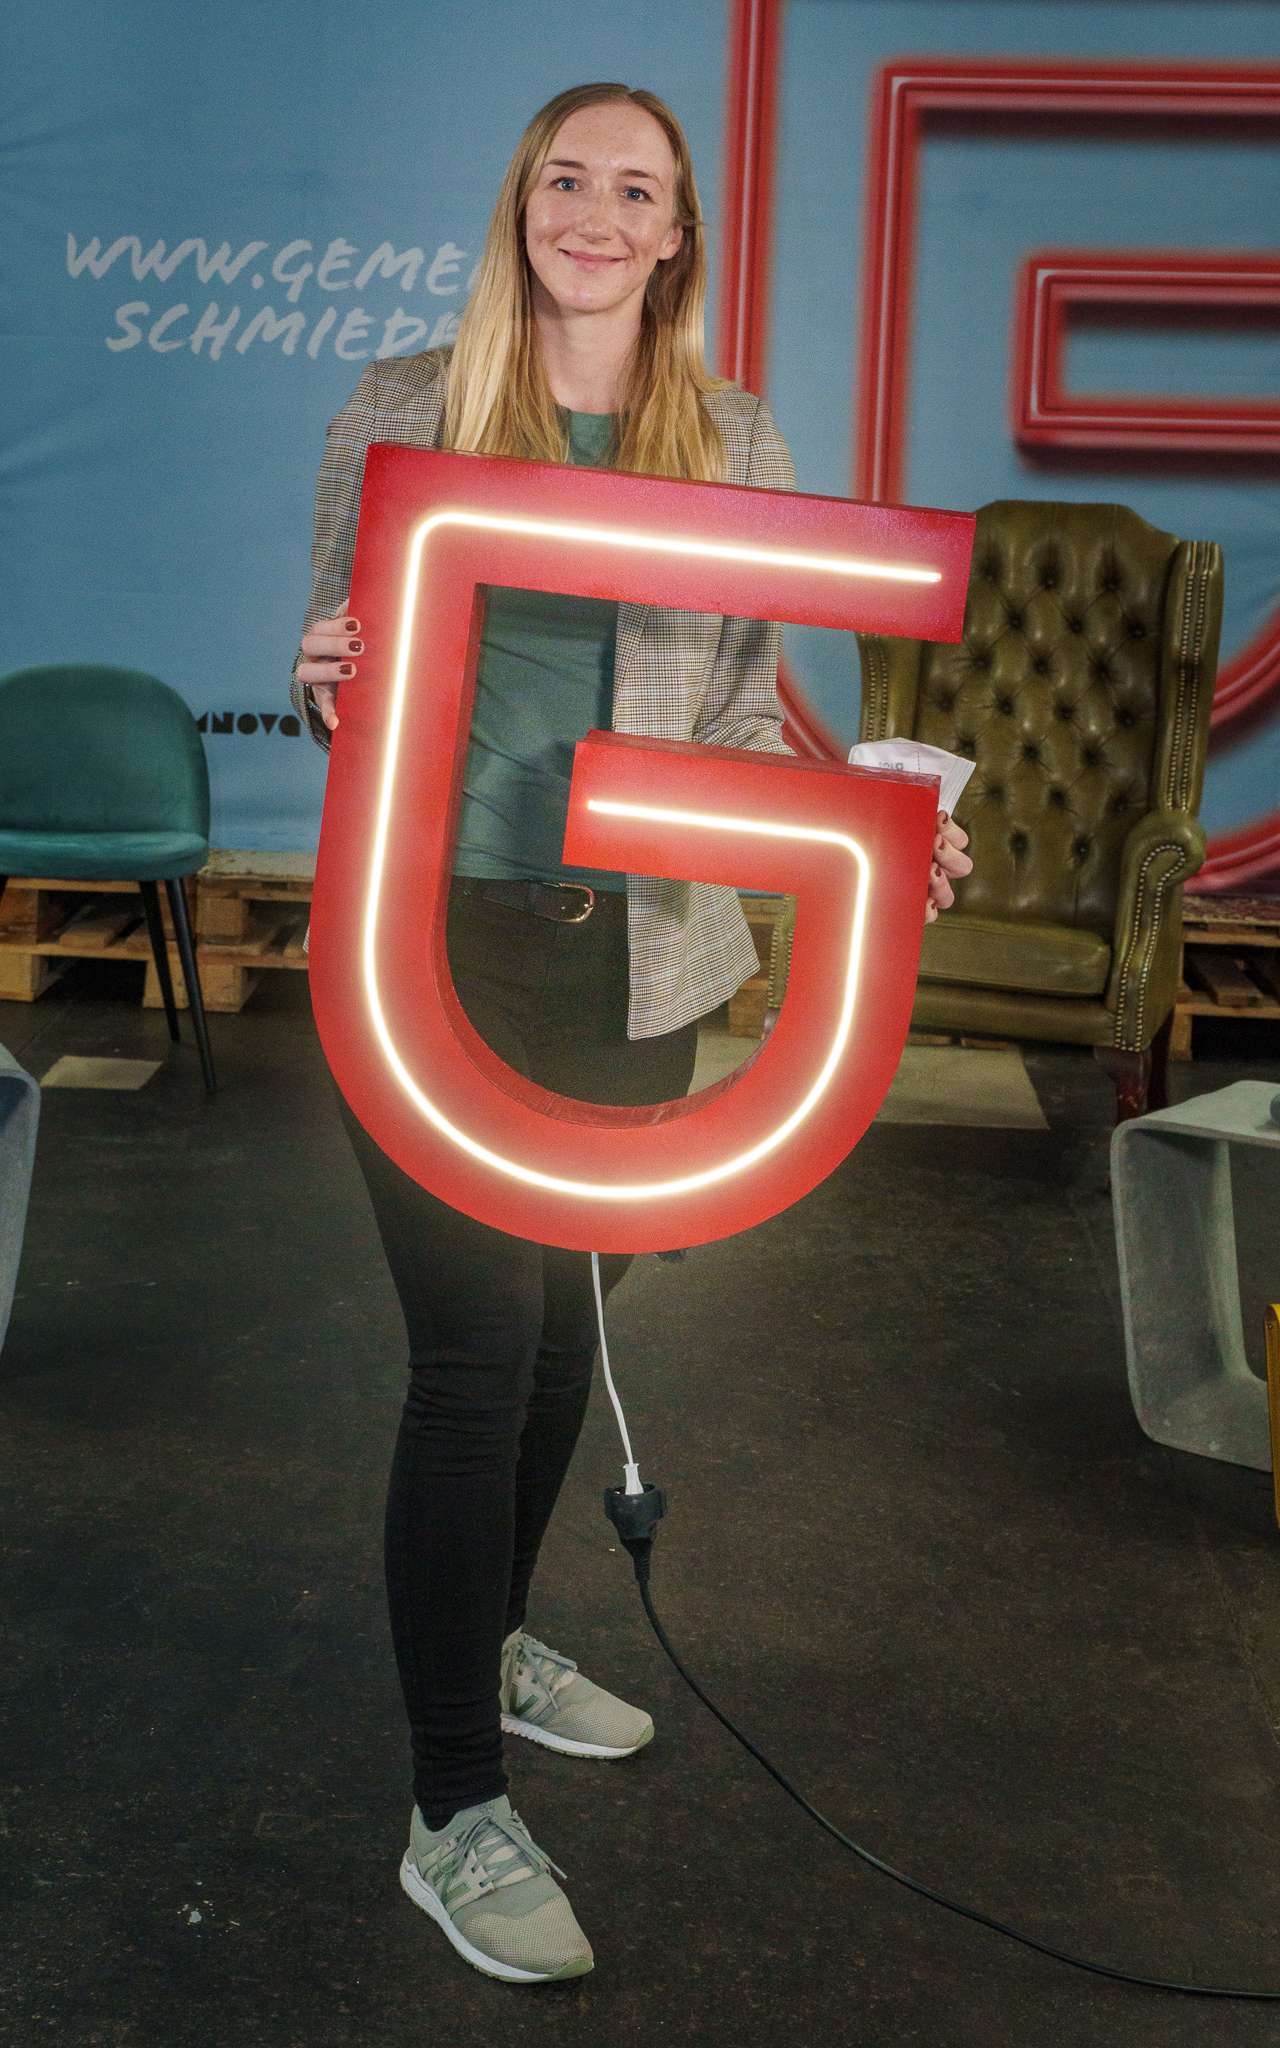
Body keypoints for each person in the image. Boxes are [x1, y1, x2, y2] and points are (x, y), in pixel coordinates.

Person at [293, 81, 972, 1985]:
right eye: (568, 179)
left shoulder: (727, 438)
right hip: (427, 950)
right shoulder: (400, 402)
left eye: (636, 191)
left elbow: (738, 724)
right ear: (526, 204)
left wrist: (879, 837)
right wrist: (319, 669)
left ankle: (495, 1637)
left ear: (676, 236)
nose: (596, 214)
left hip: (636, 961)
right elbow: (335, 654)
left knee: (553, 1357)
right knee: (469, 1360)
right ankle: (452, 1810)